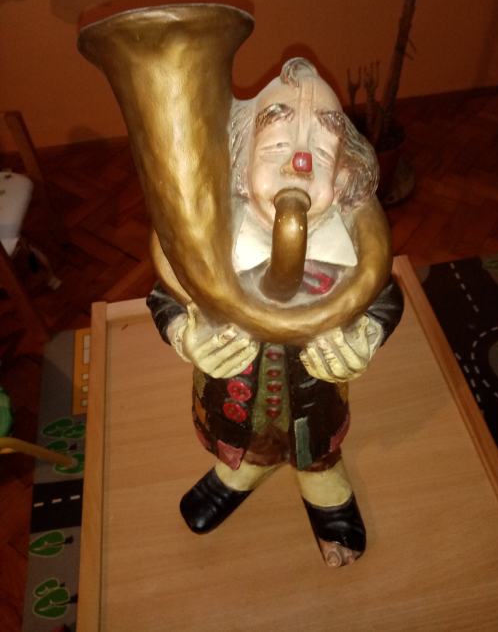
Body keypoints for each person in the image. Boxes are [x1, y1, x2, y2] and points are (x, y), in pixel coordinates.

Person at [147, 58, 403, 566]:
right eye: (276, 148)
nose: (299, 164)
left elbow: (386, 297)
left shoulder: (352, 257)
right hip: (233, 402)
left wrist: (366, 336)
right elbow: (164, 296)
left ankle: (321, 480)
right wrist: (185, 335)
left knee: (316, 450)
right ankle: (244, 470)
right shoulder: (209, 251)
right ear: (238, 168)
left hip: (315, 403)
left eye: (321, 153)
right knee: (241, 444)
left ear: (343, 175)